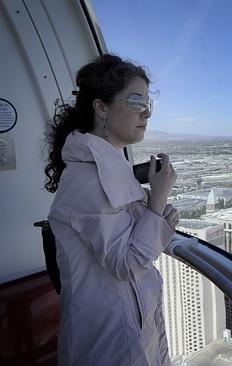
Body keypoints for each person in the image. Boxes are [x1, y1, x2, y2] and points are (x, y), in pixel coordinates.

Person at [44, 54, 178, 365]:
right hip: (110, 345)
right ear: (101, 108)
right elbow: (127, 263)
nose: (146, 112)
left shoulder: (110, 170)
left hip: (124, 332)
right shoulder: (88, 179)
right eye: (135, 101)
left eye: (148, 104)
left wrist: (155, 216)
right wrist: (157, 201)